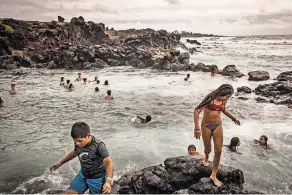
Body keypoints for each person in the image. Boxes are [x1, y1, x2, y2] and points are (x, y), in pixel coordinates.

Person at [193, 84, 240, 187]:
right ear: (221, 92)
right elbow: (197, 111)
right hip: (206, 126)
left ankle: (213, 175)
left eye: (228, 97)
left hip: (218, 125)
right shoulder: (210, 99)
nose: (227, 98)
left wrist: (234, 118)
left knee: (218, 150)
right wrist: (197, 128)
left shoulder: (223, 100)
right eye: (226, 96)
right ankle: (206, 156)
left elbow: (223, 110)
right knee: (208, 149)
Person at [50, 122, 114, 194]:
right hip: (83, 174)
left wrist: (108, 181)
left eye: (80, 141)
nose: (77, 143)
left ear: (88, 135)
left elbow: (109, 163)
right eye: (75, 141)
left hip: (97, 179)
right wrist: (60, 163)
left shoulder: (99, 145)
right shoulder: (78, 143)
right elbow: (75, 152)